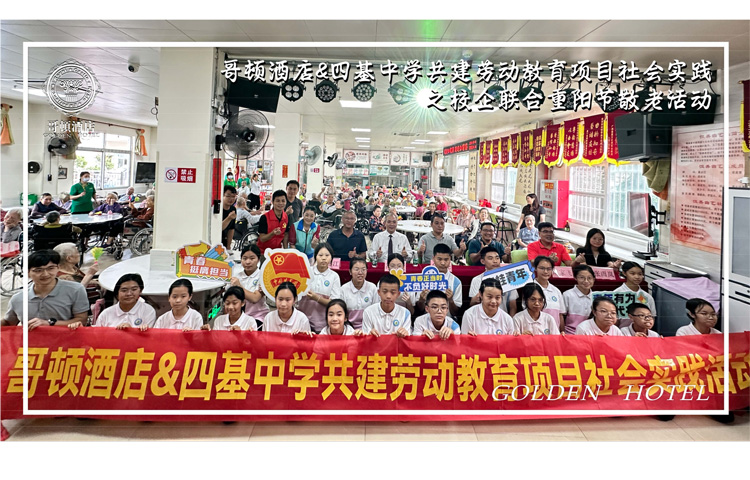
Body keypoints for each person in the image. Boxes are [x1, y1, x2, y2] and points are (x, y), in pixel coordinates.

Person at [2, 250, 88, 329]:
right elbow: (8, 323)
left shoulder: (75, 290)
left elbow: (82, 320)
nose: (45, 274)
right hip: (33, 341)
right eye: (38, 270)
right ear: (28, 273)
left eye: (50, 268)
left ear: (58, 268)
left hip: (66, 340)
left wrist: (48, 323)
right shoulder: (18, 298)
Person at [507, 256, 566, 331]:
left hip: (553, 333)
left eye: (549, 269)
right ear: (535, 268)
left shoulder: (556, 291)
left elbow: (560, 315)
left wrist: (562, 332)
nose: (545, 271)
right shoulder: (529, 288)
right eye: (542, 268)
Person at [84, 273, 155, 330]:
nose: (129, 294)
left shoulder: (148, 311)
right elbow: (97, 336)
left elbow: (148, 338)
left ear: (140, 290)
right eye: (124, 290)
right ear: (117, 293)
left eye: (134, 289)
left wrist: (131, 331)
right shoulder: (106, 314)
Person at [297, 243, 342, 333]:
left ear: (331, 257)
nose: (324, 258)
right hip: (303, 318)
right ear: (315, 257)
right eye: (320, 255)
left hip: (322, 322)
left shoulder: (334, 276)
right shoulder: (306, 271)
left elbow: (334, 302)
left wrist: (316, 298)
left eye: (327, 255)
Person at [416, 244, 462, 317]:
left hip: (447, 319)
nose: (443, 263)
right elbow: (419, 310)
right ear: (433, 258)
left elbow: (455, 313)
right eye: (439, 259)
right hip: (426, 319)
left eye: (446, 260)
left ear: (450, 259)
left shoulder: (456, 282)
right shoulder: (424, 278)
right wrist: (421, 300)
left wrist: (450, 300)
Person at [333, 258, 378, 330]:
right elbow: (341, 313)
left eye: (363, 269)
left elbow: (376, 311)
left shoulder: (372, 288)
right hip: (348, 328)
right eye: (356, 269)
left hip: (368, 328)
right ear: (350, 271)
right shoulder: (343, 289)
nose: (360, 272)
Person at [230, 244, 269, 321]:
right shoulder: (236, 275)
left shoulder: (263, 276)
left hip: (258, 315)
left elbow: (254, 298)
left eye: (252, 258)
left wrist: (239, 286)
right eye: (244, 258)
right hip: (239, 316)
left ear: (258, 259)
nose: (247, 262)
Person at [614, 261, 656, 327]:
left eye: (640, 274)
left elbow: (652, 317)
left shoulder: (647, 297)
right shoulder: (617, 294)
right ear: (624, 273)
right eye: (632, 274)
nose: (637, 277)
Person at [562, 264, 596, 335]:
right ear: (575, 278)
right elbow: (561, 316)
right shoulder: (567, 295)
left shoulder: (595, 297)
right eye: (582, 278)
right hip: (570, 333)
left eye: (589, 278)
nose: (586, 281)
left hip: (589, 334)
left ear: (594, 279)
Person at [221, 185, 238, 250]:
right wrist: (229, 218)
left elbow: (231, 229)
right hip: (216, 240)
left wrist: (228, 246)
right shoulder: (218, 209)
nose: (231, 199)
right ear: (222, 195)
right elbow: (219, 228)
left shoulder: (233, 209)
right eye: (228, 196)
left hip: (225, 242)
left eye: (233, 196)